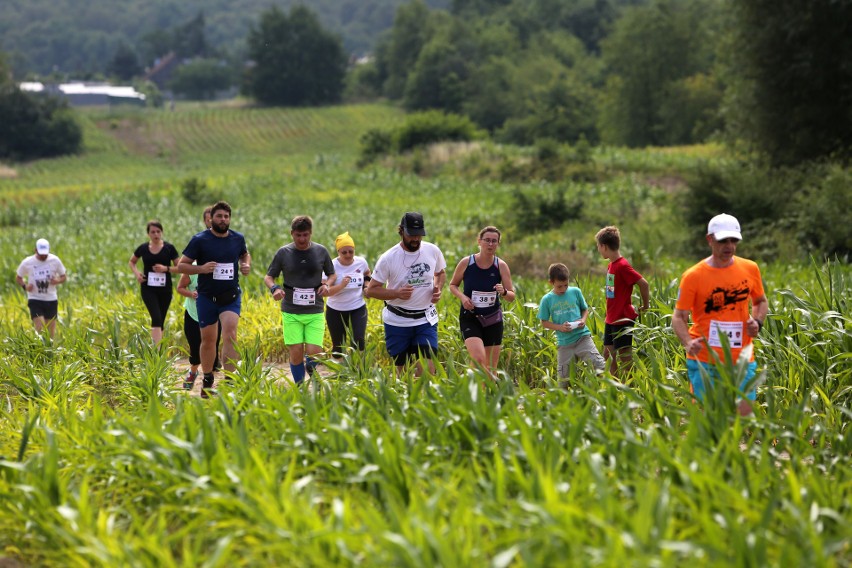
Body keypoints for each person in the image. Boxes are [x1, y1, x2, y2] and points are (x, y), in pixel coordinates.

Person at [672, 213, 768, 416]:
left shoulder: (750, 268)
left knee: (744, 414)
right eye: (723, 240)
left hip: (742, 357)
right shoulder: (693, 276)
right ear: (710, 239)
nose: (730, 246)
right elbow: (678, 317)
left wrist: (758, 322)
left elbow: (760, 301)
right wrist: (688, 343)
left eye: (734, 240)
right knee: (710, 418)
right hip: (705, 358)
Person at [176, 201, 251, 398]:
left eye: (226, 216)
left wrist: (245, 265)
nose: (223, 220)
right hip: (207, 297)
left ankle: (229, 380)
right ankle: (207, 378)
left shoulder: (237, 238)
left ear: (230, 218)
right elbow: (182, 266)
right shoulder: (200, 240)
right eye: (219, 216)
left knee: (230, 334)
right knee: (208, 341)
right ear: (211, 219)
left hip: (230, 297)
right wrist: (201, 269)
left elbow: (245, 254)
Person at [365, 212, 446, 377]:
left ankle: (425, 401)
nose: (416, 239)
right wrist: (396, 293)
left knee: (428, 371)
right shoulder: (388, 258)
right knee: (400, 373)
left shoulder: (432, 250)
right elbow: (372, 289)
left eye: (419, 235)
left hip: (426, 319)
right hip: (398, 321)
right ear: (401, 231)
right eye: (411, 235)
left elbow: (440, 273)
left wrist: (437, 288)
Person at [264, 216, 336, 385]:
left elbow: (332, 274)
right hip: (291, 310)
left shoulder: (321, 251)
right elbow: (269, 277)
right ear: (292, 234)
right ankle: (300, 386)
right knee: (296, 351)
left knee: (314, 352)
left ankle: (312, 373)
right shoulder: (283, 253)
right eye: (298, 235)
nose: (302, 239)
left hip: (315, 309)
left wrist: (327, 285)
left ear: (310, 233)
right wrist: (275, 288)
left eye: (305, 235)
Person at [448, 226, 515, 378]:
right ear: (479, 241)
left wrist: (503, 291)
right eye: (487, 241)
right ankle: (473, 392)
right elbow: (453, 285)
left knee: (491, 369)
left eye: (494, 241)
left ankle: (482, 396)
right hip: (470, 317)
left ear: (498, 244)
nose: (490, 244)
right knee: (478, 359)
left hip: (492, 319)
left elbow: (511, 296)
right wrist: (463, 298)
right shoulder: (467, 262)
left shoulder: (501, 265)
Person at [595, 226, 650, 378]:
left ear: (604, 246)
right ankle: (617, 387)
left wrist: (646, 305)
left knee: (625, 358)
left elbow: (643, 283)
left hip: (622, 319)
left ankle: (631, 388)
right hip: (611, 318)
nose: (598, 250)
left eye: (598, 246)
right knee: (607, 356)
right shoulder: (611, 265)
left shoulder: (622, 266)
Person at [537, 262, 605, 385]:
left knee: (600, 366)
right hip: (564, 344)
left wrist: (583, 320)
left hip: (582, 338)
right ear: (551, 282)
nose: (563, 289)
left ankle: (607, 392)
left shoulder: (575, 292)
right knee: (563, 380)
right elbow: (544, 322)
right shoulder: (547, 300)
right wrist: (560, 327)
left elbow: (585, 310)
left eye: (566, 285)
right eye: (559, 286)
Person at [129, 220, 180, 345]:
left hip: (165, 289)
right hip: (148, 288)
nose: (156, 234)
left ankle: (159, 352)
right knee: (156, 317)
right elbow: (132, 262)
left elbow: (179, 267)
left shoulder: (169, 248)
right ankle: (155, 352)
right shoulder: (143, 248)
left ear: (162, 232)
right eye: (153, 232)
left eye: (158, 231)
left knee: (161, 319)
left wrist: (166, 268)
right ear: (148, 234)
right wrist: (137, 275)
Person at [324, 231, 371, 358]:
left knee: (359, 341)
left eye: (351, 251)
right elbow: (324, 292)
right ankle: (340, 373)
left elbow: (367, 274)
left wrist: (366, 287)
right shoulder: (331, 265)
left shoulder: (361, 262)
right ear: (338, 252)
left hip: (358, 307)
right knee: (338, 347)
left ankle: (358, 371)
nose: (348, 255)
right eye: (344, 252)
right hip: (335, 310)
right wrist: (341, 286)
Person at [16, 238, 67, 338]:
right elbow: (19, 277)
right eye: (41, 253)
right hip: (35, 299)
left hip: (51, 299)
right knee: (40, 326)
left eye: (45, 254)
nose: (43, 256)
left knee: (50, 332)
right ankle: (38, 350)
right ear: (35, 250)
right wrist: (25, 286)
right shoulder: (28, 262)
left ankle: (48, 352)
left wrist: (57, 281)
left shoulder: (55, 260)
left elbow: (64, 276)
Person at [176, 271, 202, 390]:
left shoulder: (218, 267)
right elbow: (180, 288)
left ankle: (209, 379)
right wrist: (192, 294)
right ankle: (193, 372)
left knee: (212, 345)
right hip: (193, 313)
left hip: (214, 313)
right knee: (195, 345)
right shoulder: (192, 269)